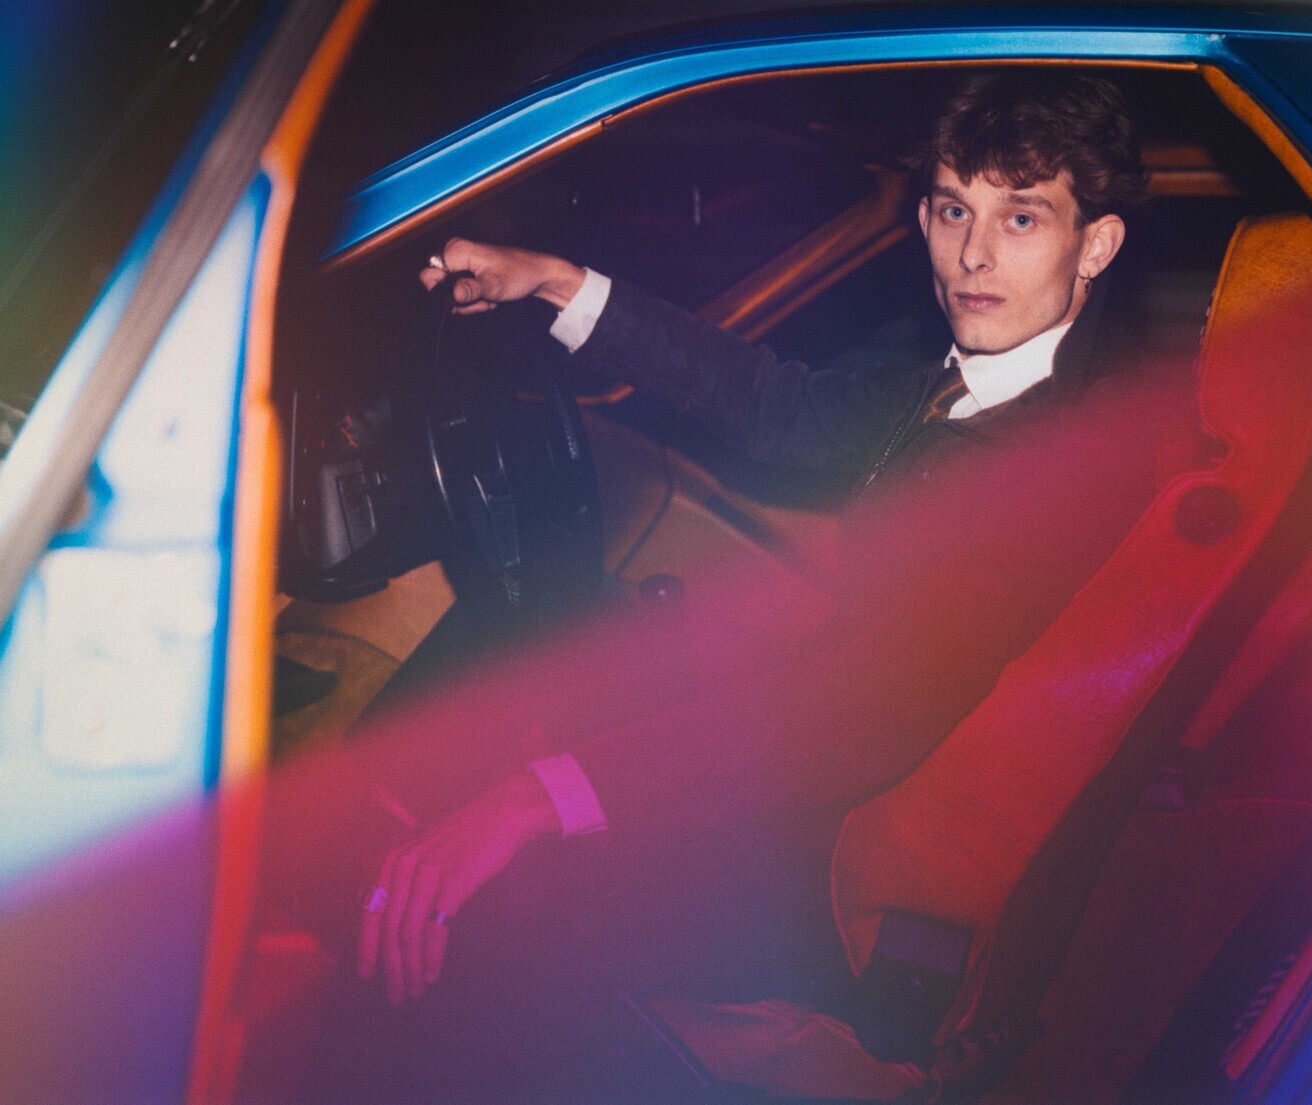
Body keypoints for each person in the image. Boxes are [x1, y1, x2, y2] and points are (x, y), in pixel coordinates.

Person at [310, 70, 1197, 1102]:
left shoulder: (1059, 465)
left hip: (847, 889)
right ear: (922, 218)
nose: (974, 254)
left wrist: (533, 799)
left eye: (1023, 217)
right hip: (855, 814)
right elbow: (779, 407)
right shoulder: (982, 392)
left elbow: (855, 713)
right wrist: (555, 282)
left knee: (468, 917)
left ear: (1095, 245)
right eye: (955, 209)